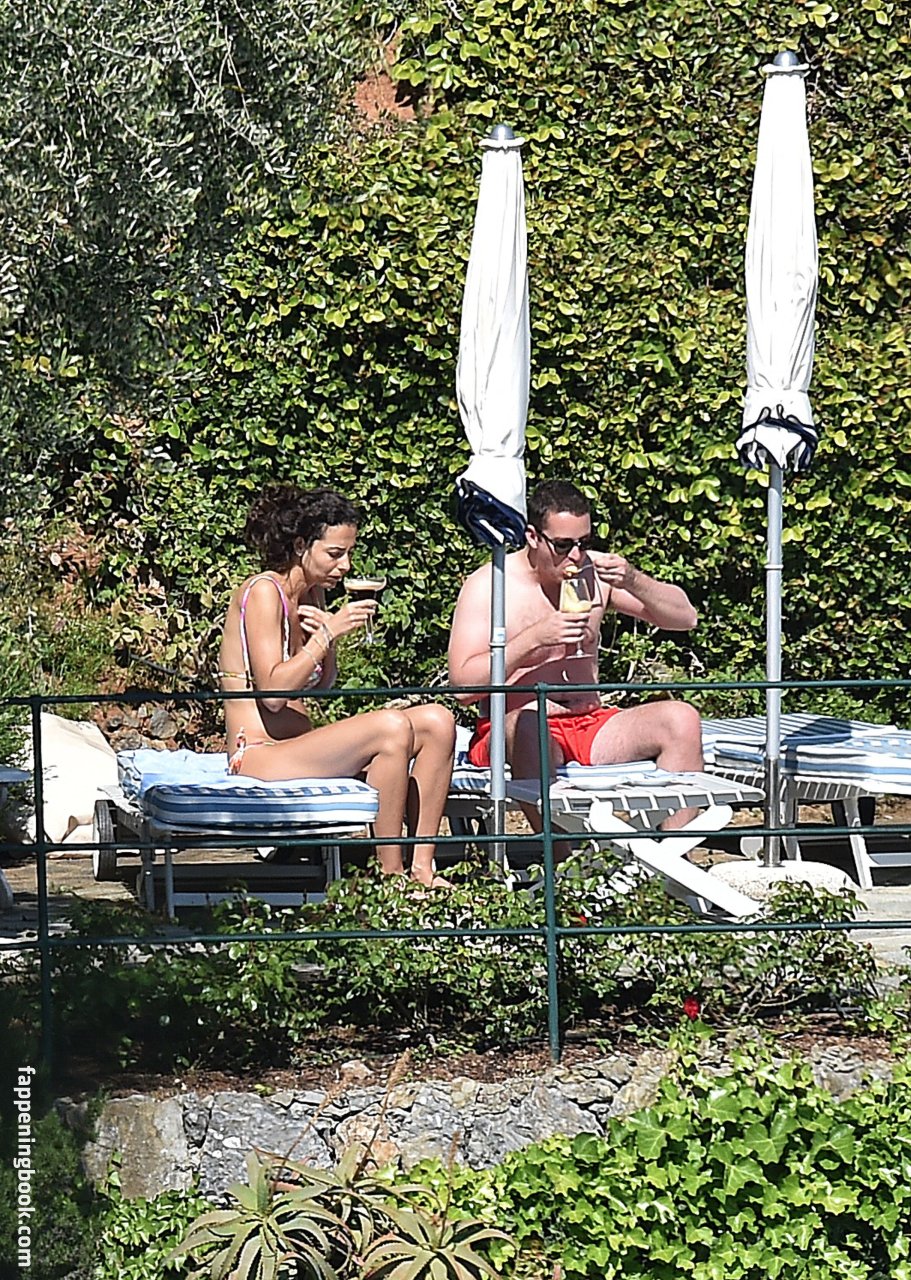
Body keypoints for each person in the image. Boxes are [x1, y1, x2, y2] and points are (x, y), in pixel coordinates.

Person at [218, 485, 456, 886]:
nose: (345, 566)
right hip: (258, 755)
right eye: (334, 553)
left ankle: (422, 869)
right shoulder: (263, 592)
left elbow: (320, 686)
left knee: (437, 720)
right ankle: (391, 878)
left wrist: (325, 645)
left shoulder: (312, 595)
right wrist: (326, 636)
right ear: (300, 546)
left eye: (349, 553)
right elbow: (273, 695)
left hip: (300, 747)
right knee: (391, 727)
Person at [447, 479, 704, 831]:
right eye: (563, 545)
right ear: (532, 536)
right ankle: (562, 857)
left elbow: (685, 618)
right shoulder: (492, 584)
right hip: (515, 728)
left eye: (584, 542)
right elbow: (462, 688)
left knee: (681, 719)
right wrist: (533, 640)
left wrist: (633, 579)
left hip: (589, 722)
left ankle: (672, 852)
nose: (575, 556)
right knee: (530, 726)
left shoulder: (594, 573)